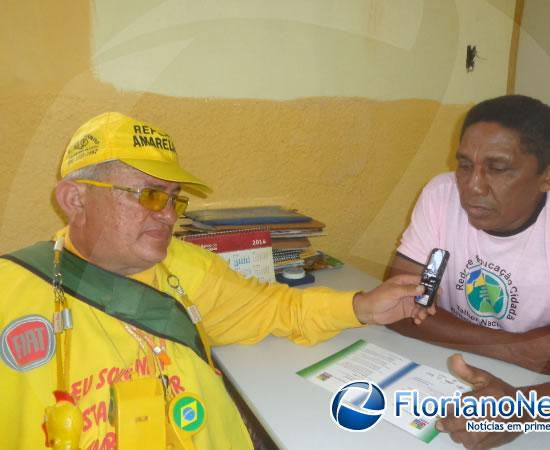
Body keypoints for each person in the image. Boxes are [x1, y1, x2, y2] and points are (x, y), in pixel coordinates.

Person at [0, 111, 433, 450]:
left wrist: (363, 306)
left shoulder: (185, 267)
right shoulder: (10, 292)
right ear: (76, 199)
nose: (168, 215)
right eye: (149, 195)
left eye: (173, 199)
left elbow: (277, 308)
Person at [386, 94, 550, 448]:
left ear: (548, 176)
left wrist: (526, 410)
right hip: (449, 369)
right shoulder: (441, 195)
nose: (472, 186)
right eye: (465, 165)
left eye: (498, 169)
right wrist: (511, 347)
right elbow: (398, 306)